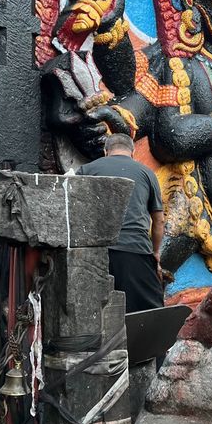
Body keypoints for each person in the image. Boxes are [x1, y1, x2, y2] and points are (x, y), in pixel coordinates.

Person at [77, 133, 165, 313]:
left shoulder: (86, 170)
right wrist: (155, 252)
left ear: (105, 151)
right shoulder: (147, 173)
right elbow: (159, 220)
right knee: (147, 311)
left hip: (94, 252)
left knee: (95, 311)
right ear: (132, 153)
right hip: (135, 251)